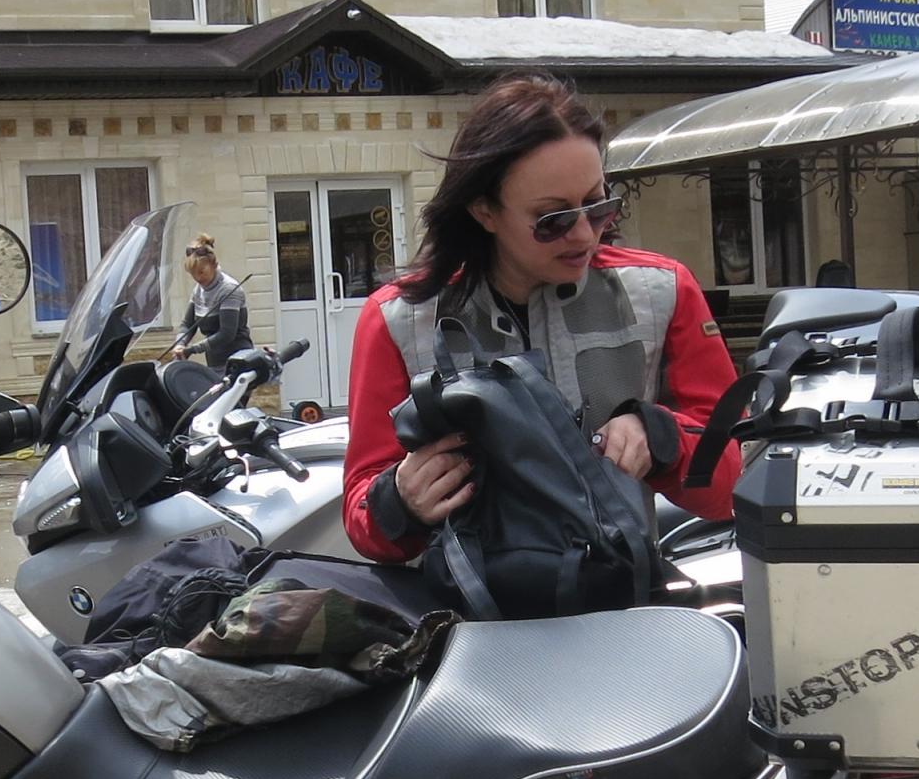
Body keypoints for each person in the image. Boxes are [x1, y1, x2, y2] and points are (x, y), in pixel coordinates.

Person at [340, 74, 739, 563]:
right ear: (484, 210)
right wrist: (400, 501)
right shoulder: (398, 320)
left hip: (624, 597)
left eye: (598, 206)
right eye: (553, 219)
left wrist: (662, 438)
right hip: (466, 605)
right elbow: (363, 517)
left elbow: (732, 483)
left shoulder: (662, 292)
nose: (584, 235)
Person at [166, 234, 253, 368]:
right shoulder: (198, 290)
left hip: (238, 360)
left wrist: (192, 350)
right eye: (193, 273)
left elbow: (226, 334)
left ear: (214, 265)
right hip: (214, 361)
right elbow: (188, 324)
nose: (197, 278)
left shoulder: (229, 289)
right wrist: (180, 344)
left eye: (201, 272)